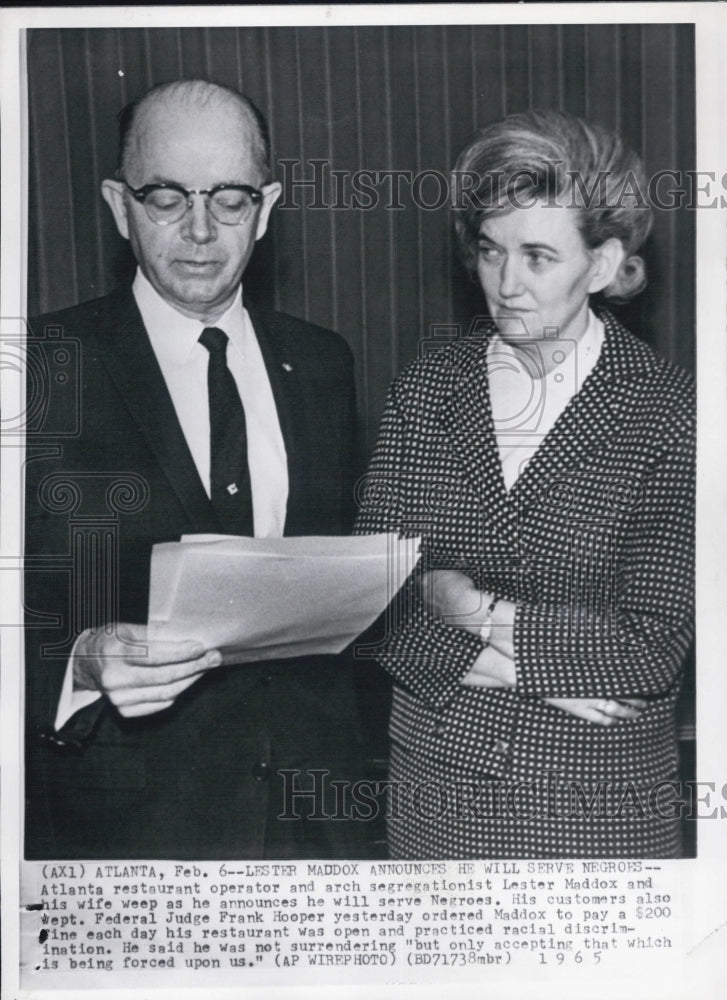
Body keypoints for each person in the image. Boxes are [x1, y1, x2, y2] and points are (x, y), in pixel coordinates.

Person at [24, 79, 363, 860]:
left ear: (266, 209)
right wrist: (80, 663)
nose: (201, 230)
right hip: (127, 833)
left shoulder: (322, 362)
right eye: (166, 198)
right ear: (119, 206)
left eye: (231, 200)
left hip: (314, 825)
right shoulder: (39, 367)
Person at [355, 110, 695, 859]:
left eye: (538, 256)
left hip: (596, 815)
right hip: (435, 805)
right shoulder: (426, 390)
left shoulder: (672, 412)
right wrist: (540, 670)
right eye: (490, 250)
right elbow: (366, 602)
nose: (505, 284)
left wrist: (462, 603)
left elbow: (647, 649)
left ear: (602, 265)